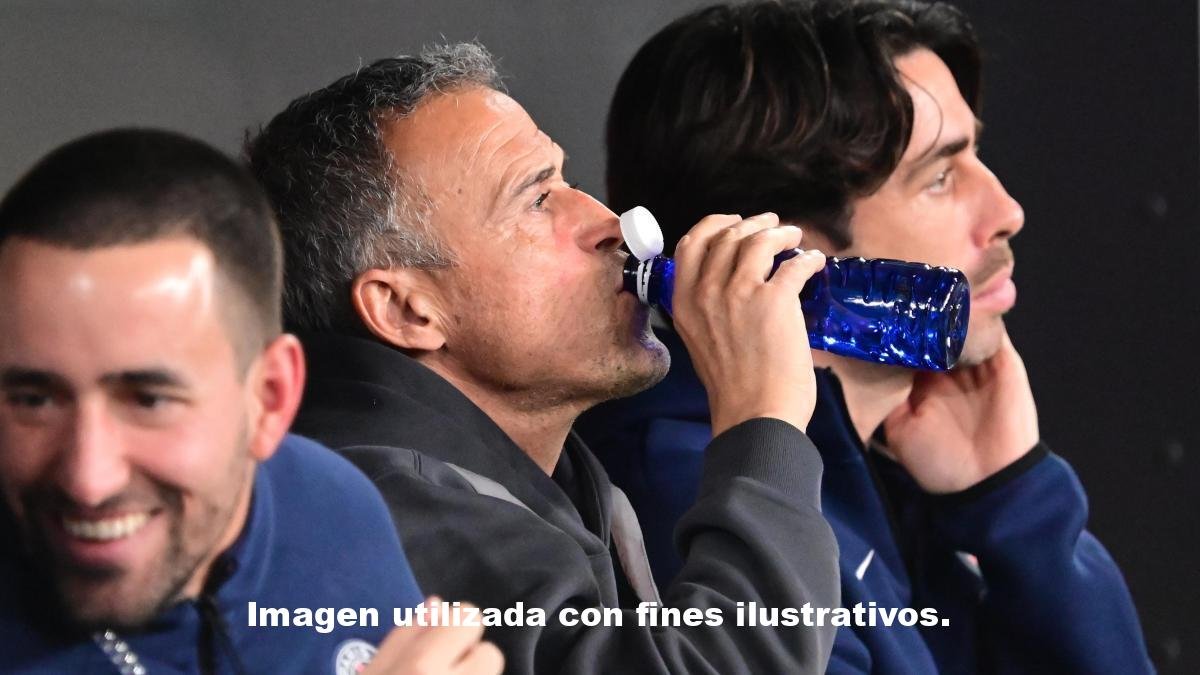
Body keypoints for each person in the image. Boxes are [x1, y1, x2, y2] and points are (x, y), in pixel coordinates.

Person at [578, 1, 1155, 673]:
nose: (1008, 212)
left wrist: (1013, 500)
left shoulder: (881, 463)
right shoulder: (689, 492)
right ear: (776, 250)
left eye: (976, 154)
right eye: (940, 177)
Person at [246, 43, 840, 674]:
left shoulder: (549, 479)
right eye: (535, 201)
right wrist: (762, 419)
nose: (611, 222)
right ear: (406, 310)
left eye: (567, 182)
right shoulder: (380, 506)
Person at [0, 128, 501, 675]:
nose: (87, 480)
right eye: (34, 400)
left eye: (148, 401)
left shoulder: (328, 505)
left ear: (270, 399)